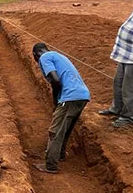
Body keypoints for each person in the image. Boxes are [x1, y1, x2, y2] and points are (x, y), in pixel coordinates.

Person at [31, 43, 91, 174]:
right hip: (83, 95)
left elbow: (56, 80)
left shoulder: (44, 57)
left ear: (36, 55)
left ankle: (50, 165)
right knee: (66, 128)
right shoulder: (59, 56)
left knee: (55, 131)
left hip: (69, 97)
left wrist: (56, 100)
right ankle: (60, 154)